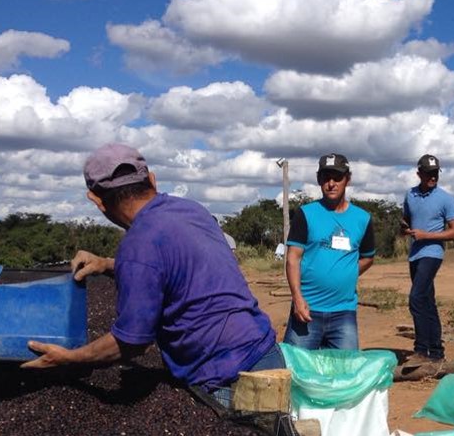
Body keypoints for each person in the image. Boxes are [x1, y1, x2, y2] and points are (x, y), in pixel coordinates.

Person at [22, 143, 284, 406]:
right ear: (152, 180)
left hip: (229, 377)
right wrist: (107, 264)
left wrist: (69, 358)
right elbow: (174, 268)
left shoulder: (138, 244)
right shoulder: (192, 210)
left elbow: (131, 343)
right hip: (267, 351)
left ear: (97, 200)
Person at [284, 153, 375, 350]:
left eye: (337, 178)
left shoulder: (362, 218)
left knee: (345, 374)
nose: (331, 183)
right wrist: (297, 298)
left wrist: (346, 272)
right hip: (307, 310)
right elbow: (293, 259)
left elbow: (368, 258)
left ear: (347, 180)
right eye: (326, 178)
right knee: (297, 370)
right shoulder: (306, 214)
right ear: (319, 180)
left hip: (344, 313)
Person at [401, 154, 454, 364]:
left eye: (435, 173)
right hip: (414, 254)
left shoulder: (445, 198)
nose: (433, 177)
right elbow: (407, 220)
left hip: (433, 253)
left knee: (416, 298)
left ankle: (420, 350)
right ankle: (436, 353)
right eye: (428, 174)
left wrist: (427, 236)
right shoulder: (410, 195)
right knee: (427, 302)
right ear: (419, 174)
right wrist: (405, 228)